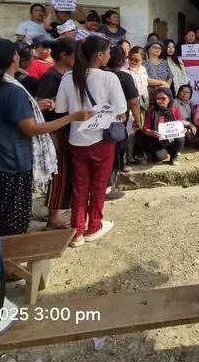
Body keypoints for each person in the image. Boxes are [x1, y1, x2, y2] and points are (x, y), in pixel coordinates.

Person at [0, 38, 92, 237]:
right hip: (12, 160)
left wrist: (35, 107)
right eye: (15, 52)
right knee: (14, 219)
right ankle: (12, 257)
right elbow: (31, 128)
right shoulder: (12, 90)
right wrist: (71, 117)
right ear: (11, 58)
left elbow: (8, 114)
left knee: (5, 216)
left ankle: (9, 251)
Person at [54, 35, 127, 247]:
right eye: (108, 52)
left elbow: (60, 109)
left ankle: (76, 232)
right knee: (98, 186)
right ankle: (94, 226)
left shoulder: (68, 77)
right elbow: (121, 109)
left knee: (80, 187)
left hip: (76, 140)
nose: (110, 55)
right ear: (99, 55)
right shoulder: (109, 78)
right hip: (102, 141)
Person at [36, 37, 77, 228]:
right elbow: (42, 105)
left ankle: (57, 211)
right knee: (59, 174)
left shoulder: (67, 74)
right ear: (63, 55)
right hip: (56, 130)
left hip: (65, 128)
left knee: (65, 173)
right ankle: (54, 216)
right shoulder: (50, 77)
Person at [104, 46, 142, 177]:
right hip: (120, 117)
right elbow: (134, 102)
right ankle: (118, 167)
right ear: (122, 60)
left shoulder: (96, 73)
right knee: (119, 140)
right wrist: (137, 120)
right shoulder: (125, 77)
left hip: (99, 115)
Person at [142, 88, 185, 164]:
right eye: (158, 98)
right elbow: (145, 128)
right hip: (157, 141)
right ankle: (157, 153)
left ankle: (174, 157)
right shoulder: (151, 111)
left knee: (181, 139)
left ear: (169, 98)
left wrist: (182, 129)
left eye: (163, 98)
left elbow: (180, 122)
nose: (160, 101)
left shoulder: (174, 109)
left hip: (172, 140)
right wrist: (151, 132)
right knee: (159, 157)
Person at [126, 47, 149, 114]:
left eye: (136, 60)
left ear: (142, 60)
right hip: (130, 106)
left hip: (143, 103)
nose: (132, 62)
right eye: (131, 59)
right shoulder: (124, 70)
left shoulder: (143, 69)